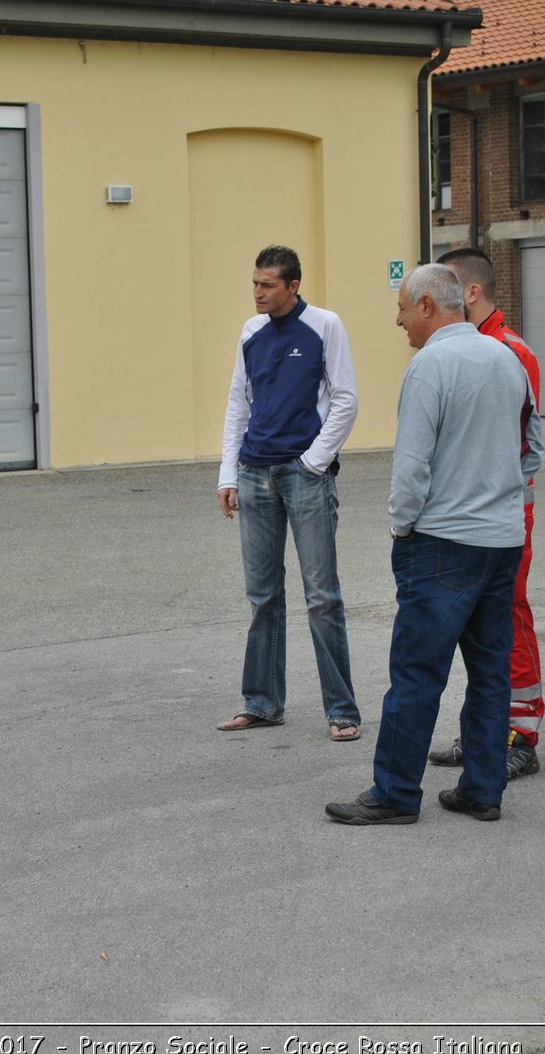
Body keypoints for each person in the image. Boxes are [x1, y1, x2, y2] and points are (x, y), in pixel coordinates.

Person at [326, 264, 541, 825]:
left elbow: (412, 469)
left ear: (427, 306)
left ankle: (395, 794)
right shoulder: (507, 360)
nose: (397, 320)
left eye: (401, 307)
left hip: (443, 542)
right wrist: (498, 497)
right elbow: (533, 450)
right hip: (502, 540)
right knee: (492, 672)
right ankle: (483, 789)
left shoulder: (429, 368)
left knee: (418, 673)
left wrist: (403, 529)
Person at [216, 244, 362, 741]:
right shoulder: (250, 331)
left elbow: (345, 399)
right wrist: (228, 475)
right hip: (255, 473)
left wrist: (313, 462)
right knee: (262, 597)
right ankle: (261, 703)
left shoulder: (325, 325)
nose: (257, 292)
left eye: (268, 284)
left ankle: (342, 710)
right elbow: (239, 402)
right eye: (254, 283)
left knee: (322, 596)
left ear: (293, 286)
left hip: (305, 476)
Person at [432, 247, 545, 780]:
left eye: (448, 284)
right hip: (474, 512)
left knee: (508, 617)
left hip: (503, 511)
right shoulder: (474, 347)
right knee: (475, 626)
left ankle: (520, 734)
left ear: (471, 292)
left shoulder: (509, 352)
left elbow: (518, 444)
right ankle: (483, 731)